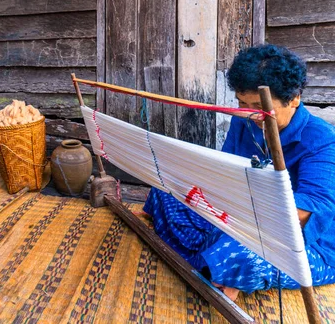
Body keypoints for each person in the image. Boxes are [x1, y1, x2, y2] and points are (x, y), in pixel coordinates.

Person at [143, 44, 335, 300]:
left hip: (302, 242)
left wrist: (243, 219)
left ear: (294, 98)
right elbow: (226, 172)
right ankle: (215, 262)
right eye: (242, 103)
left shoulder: (321, 140)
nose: (249, 113)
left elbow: (310, 209)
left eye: (258, 105)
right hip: (236, 219)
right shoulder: (243, 121)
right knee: (165, 193)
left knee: (240, 255)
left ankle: (220, 263)